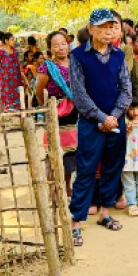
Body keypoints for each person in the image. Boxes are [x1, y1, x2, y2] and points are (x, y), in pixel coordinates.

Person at [69, 9, 132, 246]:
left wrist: (114, 116)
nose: (108, 31)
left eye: (111, 26)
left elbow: (126, 90)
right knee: (85, 170)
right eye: (103, 27)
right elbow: (79, 94)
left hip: (116, 121)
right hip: (91, 122)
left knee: (112, 168)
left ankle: (105, 213)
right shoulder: (78, 56)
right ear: (91, 29)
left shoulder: (118, 55)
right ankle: (76, 222)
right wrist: (101, 117)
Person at [36, 30, 79, 196]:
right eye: (56, 45)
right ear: (50, 49)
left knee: (70, 153)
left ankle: (66, 186)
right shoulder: (47, 67)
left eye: (63, 43)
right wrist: (50, 107)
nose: (61, 48)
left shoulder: (75, 63)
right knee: (54, 152)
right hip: (55, 113)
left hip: (73, 113)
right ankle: (53, 188)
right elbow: (39, 92)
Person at [0, 31, 27, 110]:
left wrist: (23, 77)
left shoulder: (15, 51)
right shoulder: (1, 51)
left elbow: (18, 65)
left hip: (16, 79)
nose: (14, 41)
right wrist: (0, 74)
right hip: (5, 80)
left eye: (14, 39)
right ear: (6, 41)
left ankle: (17, 114)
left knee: (17, 98)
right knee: (7, 99)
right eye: (12, 39)